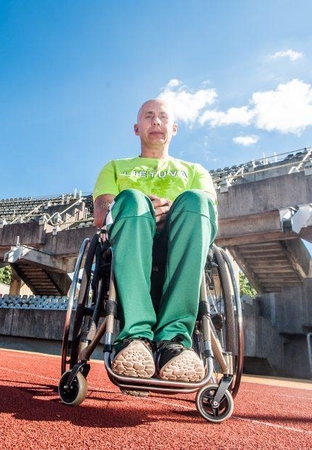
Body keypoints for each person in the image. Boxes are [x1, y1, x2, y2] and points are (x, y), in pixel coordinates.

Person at [92, 98, 218, 383]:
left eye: (162, 117)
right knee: (133, 200)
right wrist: (147, 210)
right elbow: (101, 214)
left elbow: (208, 214)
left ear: (174, 128)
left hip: (180, 245)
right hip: (131, 242)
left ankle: (173, 341)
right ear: (137, 128)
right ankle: (136, 336)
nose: (156, 121)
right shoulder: (115, 167)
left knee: (196, 201)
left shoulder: (196, 172)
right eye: (148, 116)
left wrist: (171, 211)